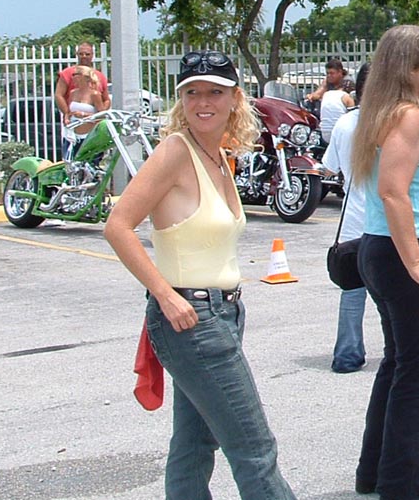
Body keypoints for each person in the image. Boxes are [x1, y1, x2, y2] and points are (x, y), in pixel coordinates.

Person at [103, 51, 297, 500]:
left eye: (214, 92)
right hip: (192, 318)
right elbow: (118, 226)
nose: (203, 102)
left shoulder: (218, 156)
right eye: (192, 93)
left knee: (194, 443)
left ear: (235, 99)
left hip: (222, 314)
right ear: (181, 100)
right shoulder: (175, 151)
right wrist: (165, 294)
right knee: (254, 448)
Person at [351, 26, 419, 500]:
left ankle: (376, 473)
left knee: (397, 364)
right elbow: (392, 192)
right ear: (409, 68)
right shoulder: (407, 117)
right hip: (403, 256)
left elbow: (410, 188)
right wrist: (417, 262)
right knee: (416, 373)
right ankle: (403, 486)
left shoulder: (383, 113)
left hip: (386, 247)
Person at [322, 63, 371, 373]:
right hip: (388, 226)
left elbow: (330, 168)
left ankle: (347, 355)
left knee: (352, 294)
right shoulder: (397, 124)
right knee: (394, 298)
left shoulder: (344, 124)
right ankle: (400, 354)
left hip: (352, 224)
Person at [55, 42, 110, 159]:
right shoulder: (67, 75)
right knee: (71, 159)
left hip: (91, 131)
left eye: (87, 54)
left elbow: (106, 100)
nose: (84, 56)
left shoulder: (99, 78)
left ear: (92, 55)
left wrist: (97, 115)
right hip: (73, 129)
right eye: (81, 54)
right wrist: (67, 114)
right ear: (77, 54)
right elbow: (59, 95)